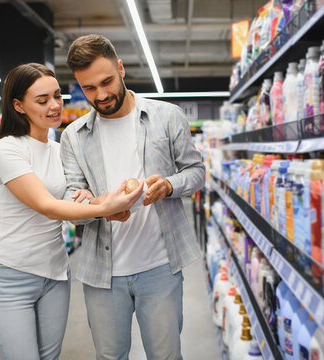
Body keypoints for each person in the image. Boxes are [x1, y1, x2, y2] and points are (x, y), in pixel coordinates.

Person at [0, 62, 144, 360]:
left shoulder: (58, 149)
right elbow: (47, 206)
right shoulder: (7, 149)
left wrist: (97, 199)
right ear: (18, 105)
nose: (55, 106)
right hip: (10, 274)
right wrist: (105, 207)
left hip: (55, 273)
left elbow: (74, 197)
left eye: (57, 96)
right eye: (42, 101)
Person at [61, 34, 205, 360]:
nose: (100, 95)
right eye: (88, 88)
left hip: (160, 266)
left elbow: (196, 172)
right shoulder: (73, 136)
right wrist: (97, 207)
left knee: (166, 356)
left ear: (121, 69)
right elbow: (71, 201)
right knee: (110, 356)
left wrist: (168, 185)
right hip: (102, 273)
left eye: (106, 81)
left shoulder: (166, 117)